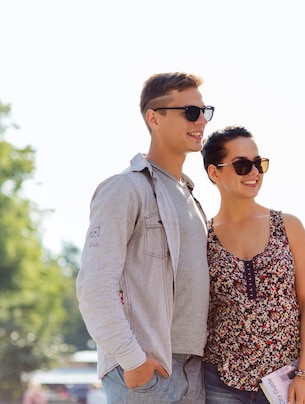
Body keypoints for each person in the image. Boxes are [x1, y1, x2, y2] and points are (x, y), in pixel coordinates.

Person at [76, 72, 214, 403]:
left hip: (192, 372)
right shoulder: (124, 188)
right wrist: (133, 359)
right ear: (154, 118)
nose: (201, 122)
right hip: (146, 370)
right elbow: (94, 286)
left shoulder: (192, 198)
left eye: (205, 112)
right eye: (190, 112)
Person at [200, 125, 305, 404]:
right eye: (242, 165)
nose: (254, 172)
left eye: (259, 163)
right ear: (214, 172)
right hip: (221, 383)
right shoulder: (202, 238)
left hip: (287, 382)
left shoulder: (288, 226)